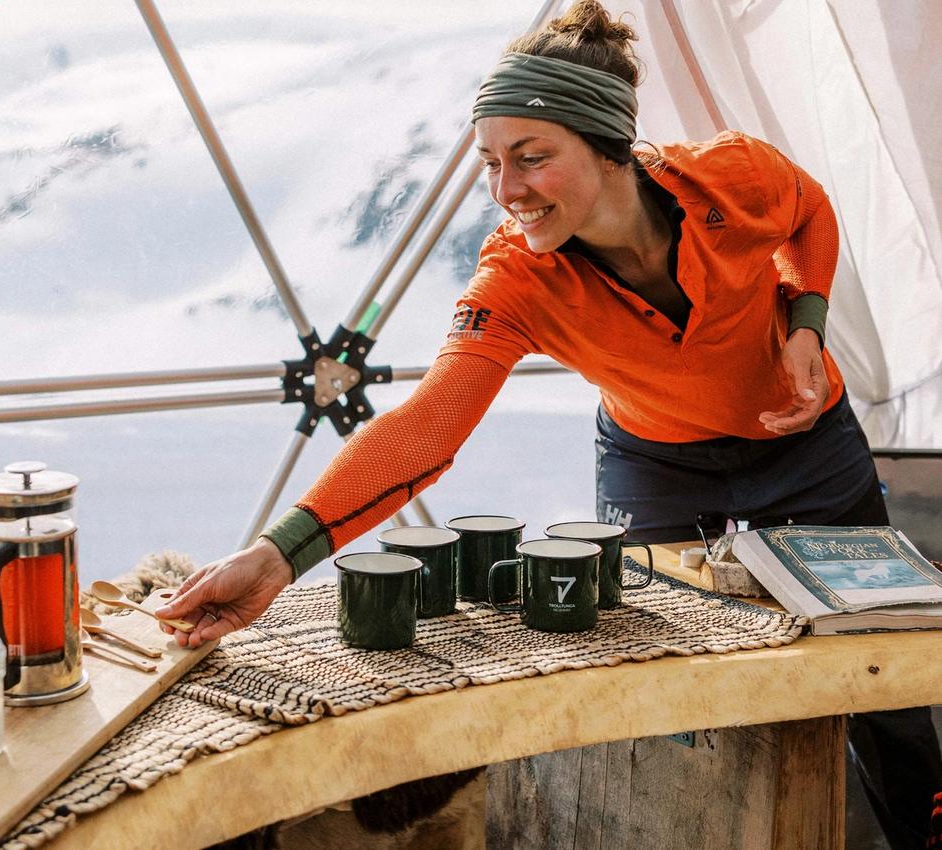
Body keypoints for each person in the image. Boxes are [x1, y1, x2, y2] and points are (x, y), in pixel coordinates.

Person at [153, 2, 942, 847]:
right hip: (656, 463)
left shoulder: (733, 176)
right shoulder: (514, 280)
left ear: (609, 149)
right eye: (491, 163)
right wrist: (278, 556)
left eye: (532, 159)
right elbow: (428, 428)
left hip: (808, 448)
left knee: (880, 661)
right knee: (658, 668)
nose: (507, 191)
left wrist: (807, 323)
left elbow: (809, 211)